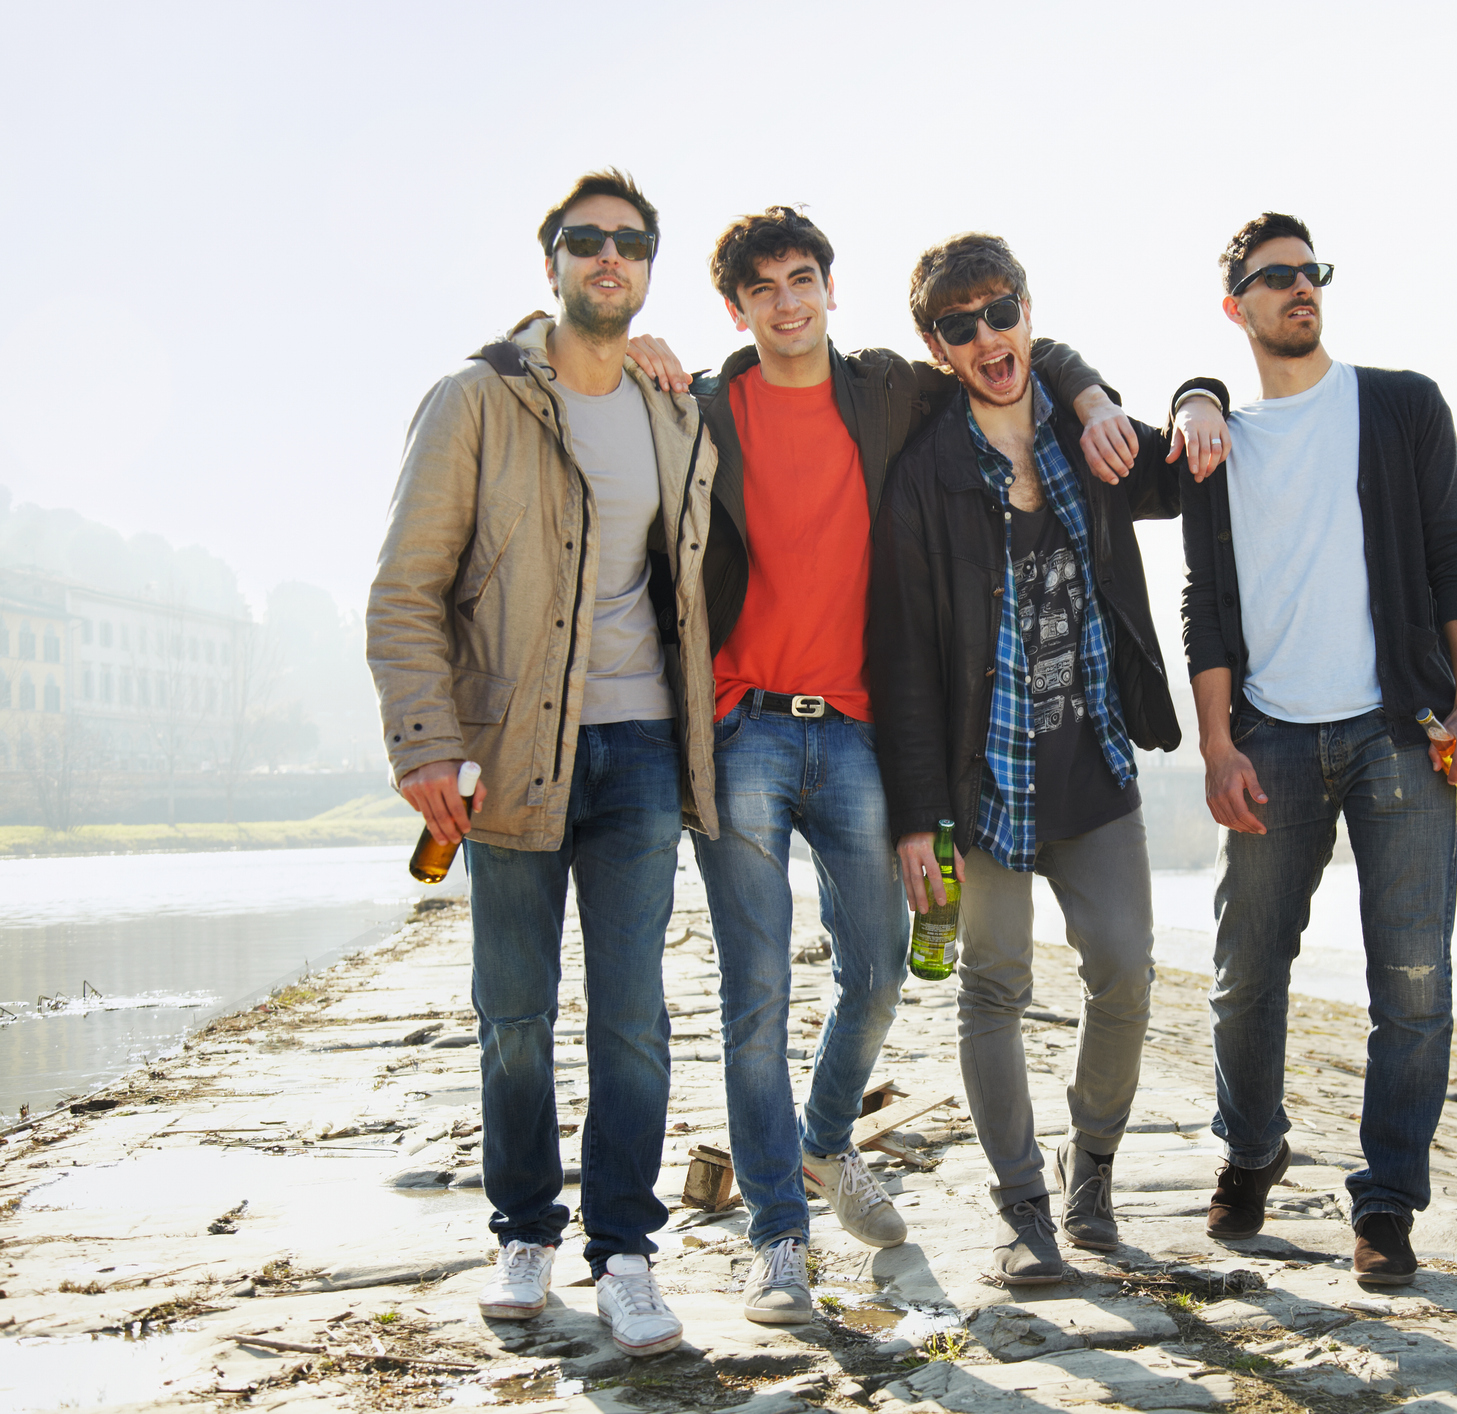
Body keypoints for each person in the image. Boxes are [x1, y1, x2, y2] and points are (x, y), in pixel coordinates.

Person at [621, 207, 1142, 1322]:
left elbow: (1012, 353)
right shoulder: (704, 407)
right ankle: (780, 1242)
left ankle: (819, 1141)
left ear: (829, 288)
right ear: (735, 309)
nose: (788, 303)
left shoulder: (886, 390)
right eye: (763, 290)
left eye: (803, 279)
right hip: (744, 726)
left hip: (854, 727)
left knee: (883, 970)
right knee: (754, 995)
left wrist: (1099, 392)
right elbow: (563, 356)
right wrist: (629, 348)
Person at [367, 170, 710, 1356]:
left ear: (649, 265)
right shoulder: (475, 401)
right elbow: (405, 588)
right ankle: (524, 1230)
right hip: (512, 755)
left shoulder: (675, 408)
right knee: (513, 1011)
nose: (607, 257)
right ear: (550, 260)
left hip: (645, 749)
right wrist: (426, 742)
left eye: (629, 242)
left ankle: (623, 1251)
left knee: (631, 1017)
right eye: (585, 241)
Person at [869, 233, 1229, 1283]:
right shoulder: (924, 479)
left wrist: (1201, 395)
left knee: (1124, 969)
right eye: (960, 324)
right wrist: (914, 816)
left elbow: (1190, 463)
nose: (988, 336)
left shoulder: (1089, 438)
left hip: (1094, 763)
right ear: (936, 346)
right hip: (985, 783)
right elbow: (898, 661)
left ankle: (1093, 1186)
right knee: (994, 985)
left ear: (1028, 308)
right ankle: (1021, 1206)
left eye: (1002, 310)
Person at [1177, 212, 1457, 1285]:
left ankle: (1385, 1203)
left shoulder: (1402, 405)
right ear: (1237, 306)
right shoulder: (1214, 441)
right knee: (1242, 975)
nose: (1298, 288)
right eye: (1272, 278)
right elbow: (1205, 604)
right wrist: (1218, 741)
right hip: (1270, 736)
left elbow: (1454, 554)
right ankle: (1252, 1145)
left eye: (1309, 271)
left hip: (1397, 734)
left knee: (1413, 981)